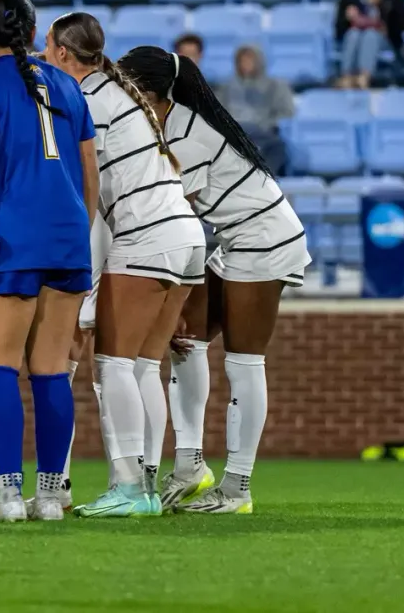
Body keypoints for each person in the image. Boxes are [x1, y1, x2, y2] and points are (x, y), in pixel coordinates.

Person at [118, 45, 311, 515]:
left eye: (125, 88)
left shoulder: (186, 138)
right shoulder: (172, 124)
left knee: (244, 363)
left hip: (263, 241)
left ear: (146, 92)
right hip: (234, 241)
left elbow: (165, 215)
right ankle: (190, 466)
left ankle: (238, 488)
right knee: (188, 340)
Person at [0, 0, 98, 523]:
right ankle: (52, 494)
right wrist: (78, 229)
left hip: (7, 238)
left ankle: (10, 496)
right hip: (67, 238)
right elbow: (89, 169)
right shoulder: (68, 85)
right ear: (36, 35)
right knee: (52, 371)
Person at [53, 36, 203, 519]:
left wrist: (85, 287)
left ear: (62, 54)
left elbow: (88, 198)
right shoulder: (125, 97)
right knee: (143, 368)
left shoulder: (88, 102)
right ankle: (149, 487)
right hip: (185, 235)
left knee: (111, 366)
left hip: (147, 235)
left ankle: (130, 488)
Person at [39, 12, 120, 509]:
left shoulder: (77, 99)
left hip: (91, 232)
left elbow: (85, 179)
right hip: (123, 233)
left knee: (66, 357)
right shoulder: (118, 93)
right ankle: (130, 479)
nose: (44, 55)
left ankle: (60, 484)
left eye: (48, 47)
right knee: (117, 361)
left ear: (64, 54)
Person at [216, 45, 293, 175]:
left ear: (259, 62)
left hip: (263, 133)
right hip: (233, 134)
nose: (245, 65)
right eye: (242, 61)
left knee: (278, 147)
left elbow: (286, 113)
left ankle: (265, 178)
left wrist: (266, 124)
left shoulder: (275, 86)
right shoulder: (226, 87)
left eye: (250, 60)